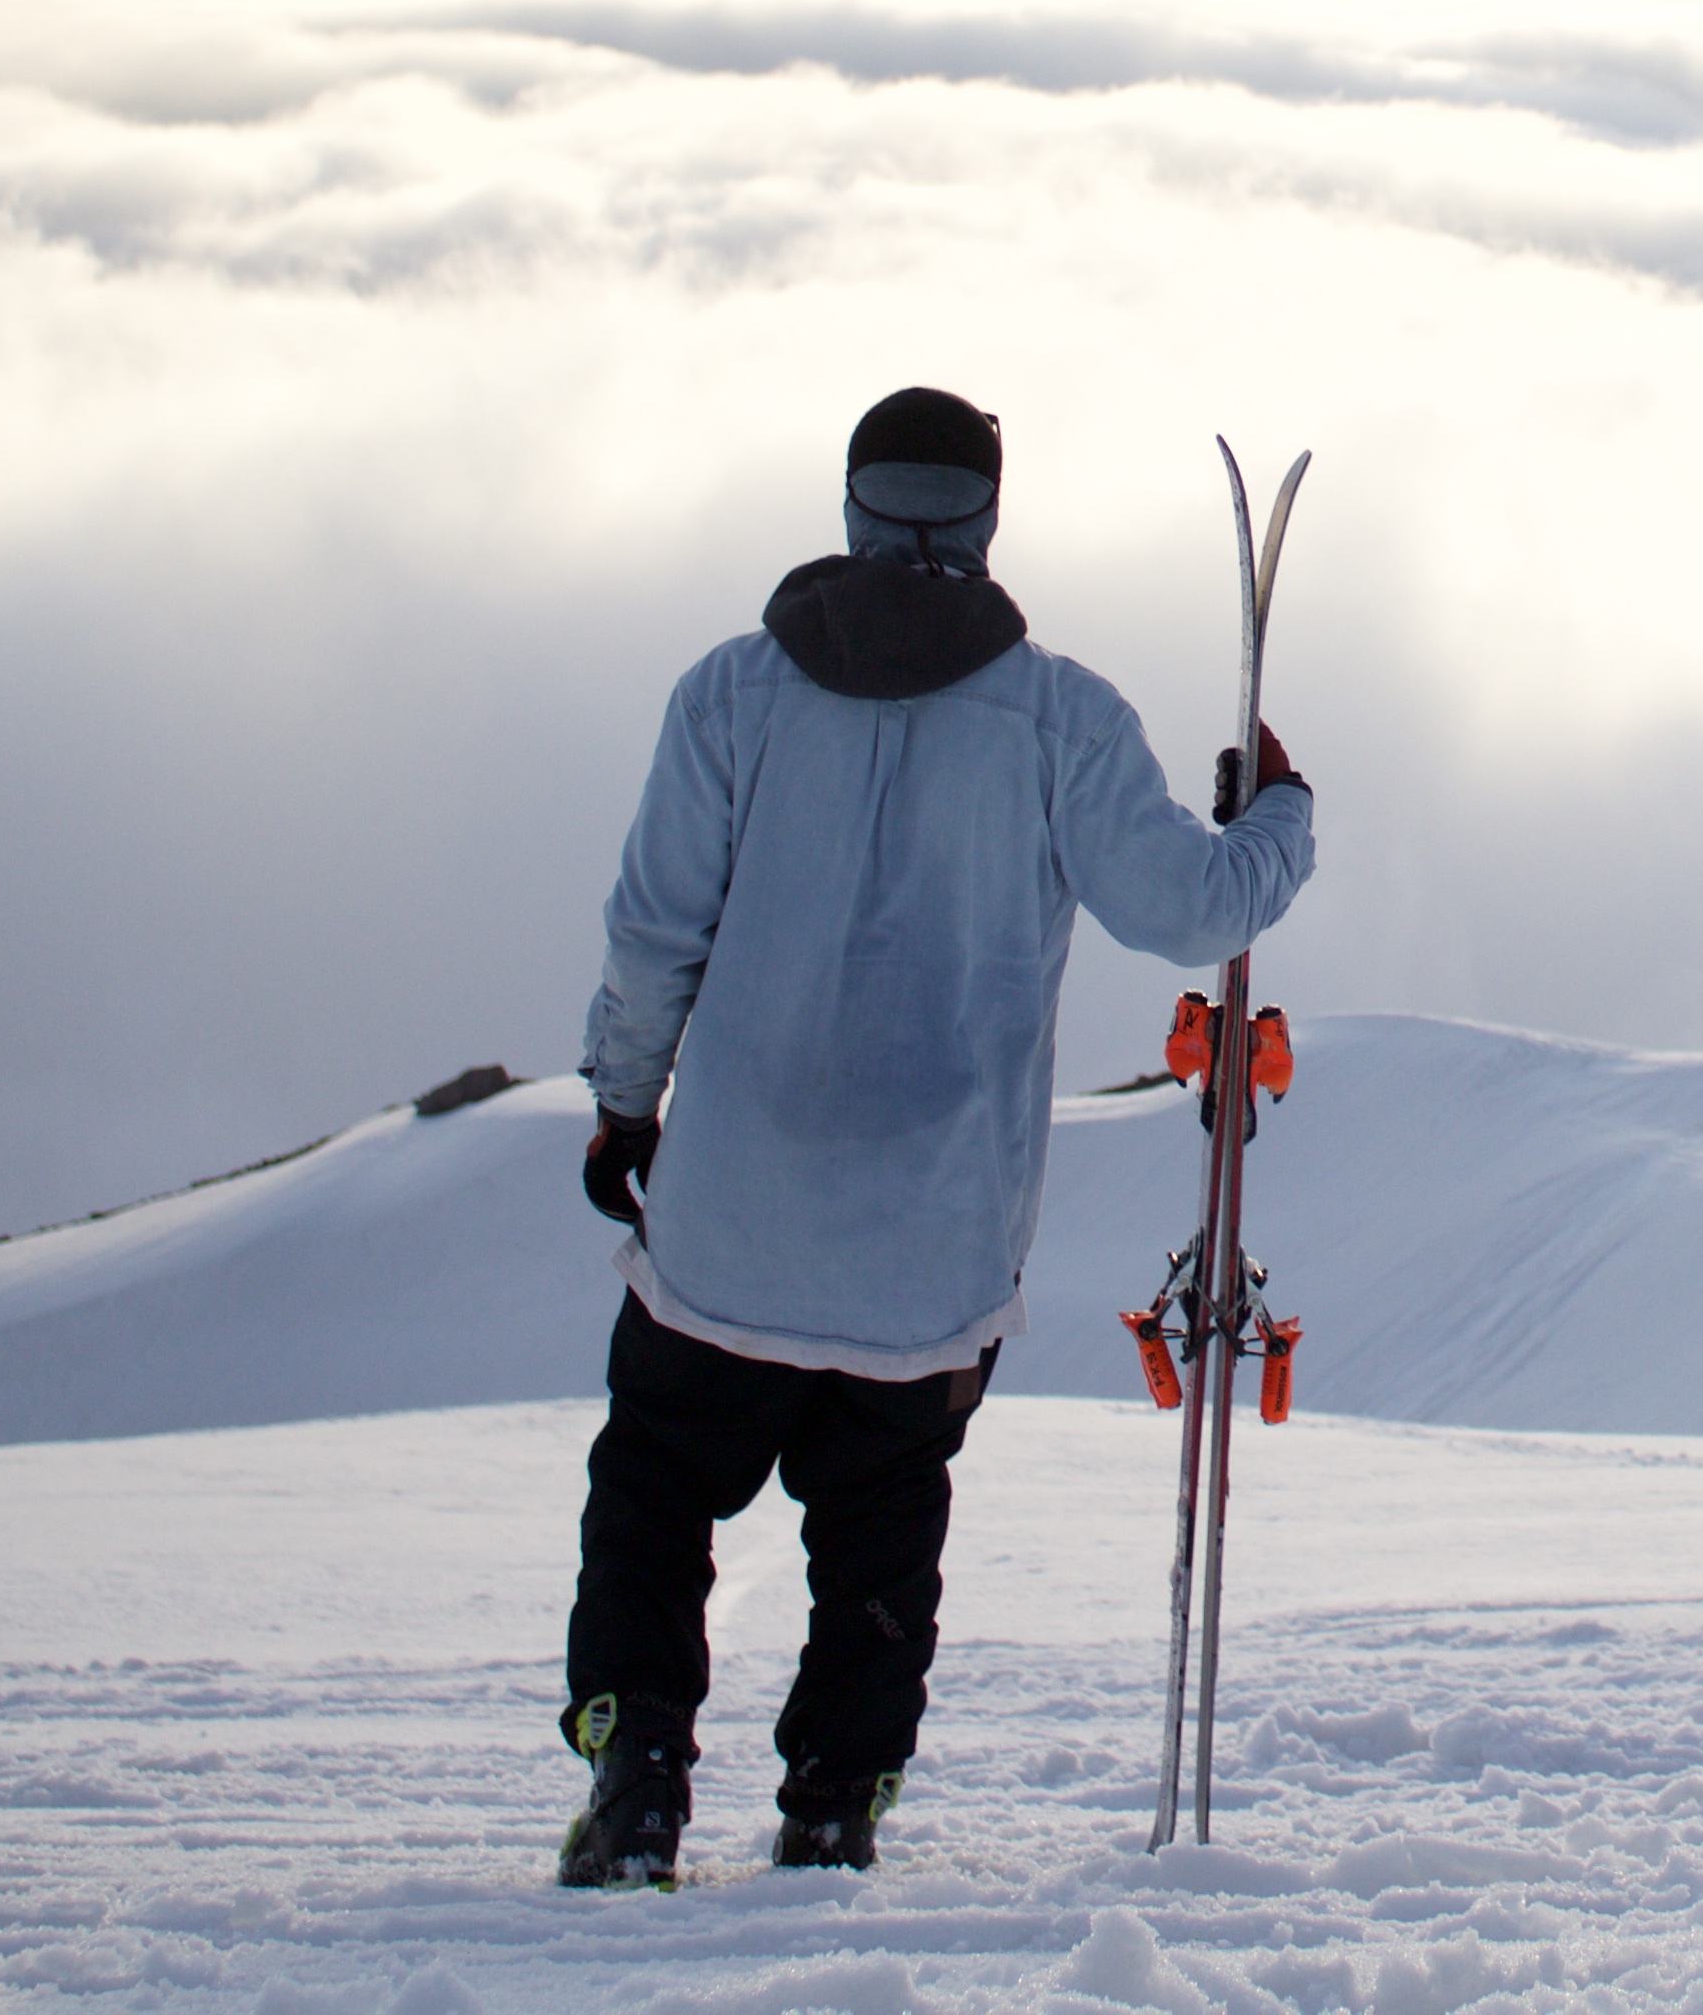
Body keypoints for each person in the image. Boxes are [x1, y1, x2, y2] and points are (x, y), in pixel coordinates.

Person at [553, 386, 1317, 1887]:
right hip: (932, 1250)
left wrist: (624, 1105)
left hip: (726, 1225)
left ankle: (638, 1772)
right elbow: (1192, 910)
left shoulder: (731, 695)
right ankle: (836, 1806)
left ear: (851, 504)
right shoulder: (1060, 717)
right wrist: (1278, 816)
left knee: (653, 1491)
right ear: (983, 520)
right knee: (881, 1530)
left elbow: (655, 937)